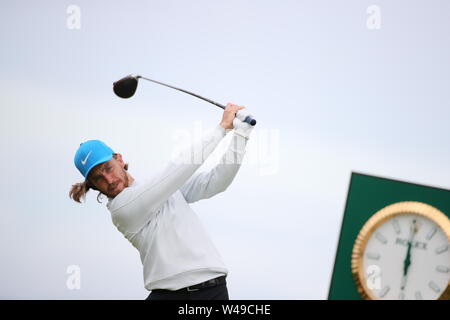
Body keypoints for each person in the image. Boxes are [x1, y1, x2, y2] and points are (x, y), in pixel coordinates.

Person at [69, 103, 254, 300]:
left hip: (214, 292)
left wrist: (241, 135)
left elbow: (217, 181)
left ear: (119, 159)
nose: (108, 180)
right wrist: (221, 128)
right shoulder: (122, 209)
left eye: (107, 168)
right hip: (170, 296)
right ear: (94, 185)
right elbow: (177, 169)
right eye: (98, 178)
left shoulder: (159, 188)